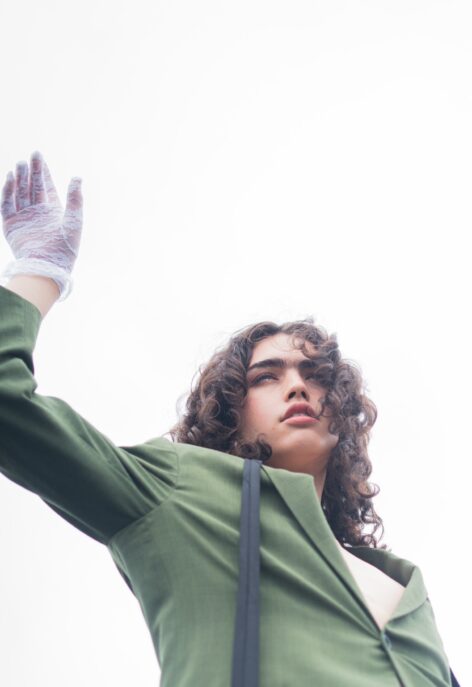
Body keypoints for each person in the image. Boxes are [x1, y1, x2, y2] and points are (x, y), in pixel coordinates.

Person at [0, 151, 459, 686]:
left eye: (315, 374)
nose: (297, 385)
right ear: (227, 410)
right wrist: (38, 273)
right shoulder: (178, 492)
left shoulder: (405, 590)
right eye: (267, 376)